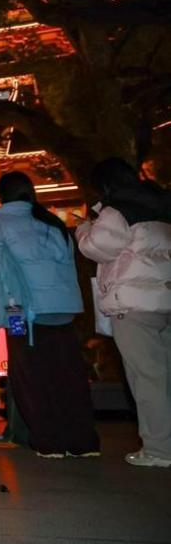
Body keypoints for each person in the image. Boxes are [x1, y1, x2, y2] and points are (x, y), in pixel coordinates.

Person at [0, 171, 100, 459]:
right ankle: (83, 441)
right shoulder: (52, 224)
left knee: (29, 374)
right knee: (69, 375)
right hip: (63, 308)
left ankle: (48, 440)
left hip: (18, 309)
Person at [76, 157, 171, 468]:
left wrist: (84, 228)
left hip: (133, 306)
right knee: (164, 376)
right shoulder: (161, 204)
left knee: (147, 379)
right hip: (165, 299)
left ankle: (159, 449)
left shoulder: (117, 210)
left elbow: (96, 247)